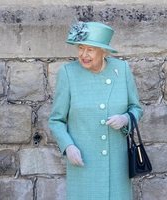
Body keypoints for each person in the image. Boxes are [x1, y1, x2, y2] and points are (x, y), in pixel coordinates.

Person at [48, 21, 143, 200]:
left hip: (117, 165)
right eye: (81, 48)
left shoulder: (121, 70)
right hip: (84, 164)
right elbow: (56, 120)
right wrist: (68, 147)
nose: (83, 55)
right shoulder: (68, 73)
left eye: (90, 49)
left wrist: (125, 119)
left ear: (104, 52)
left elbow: (136, 109)